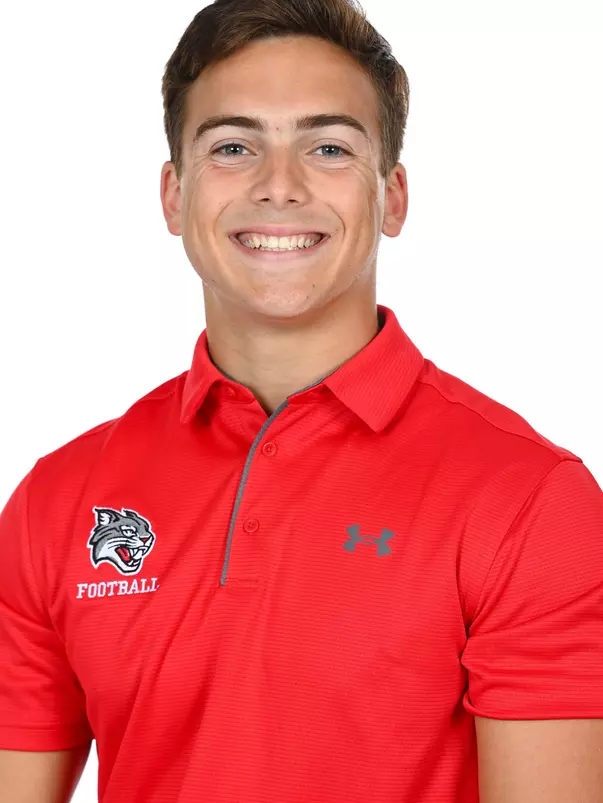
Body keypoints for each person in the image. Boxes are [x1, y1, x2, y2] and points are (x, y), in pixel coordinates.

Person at [1, 0, 602, 801]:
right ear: (173, 195)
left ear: (390, 197)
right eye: (233, 146)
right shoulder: (57, 499)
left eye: (326, 147)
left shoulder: (530, 500)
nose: (277, 186)